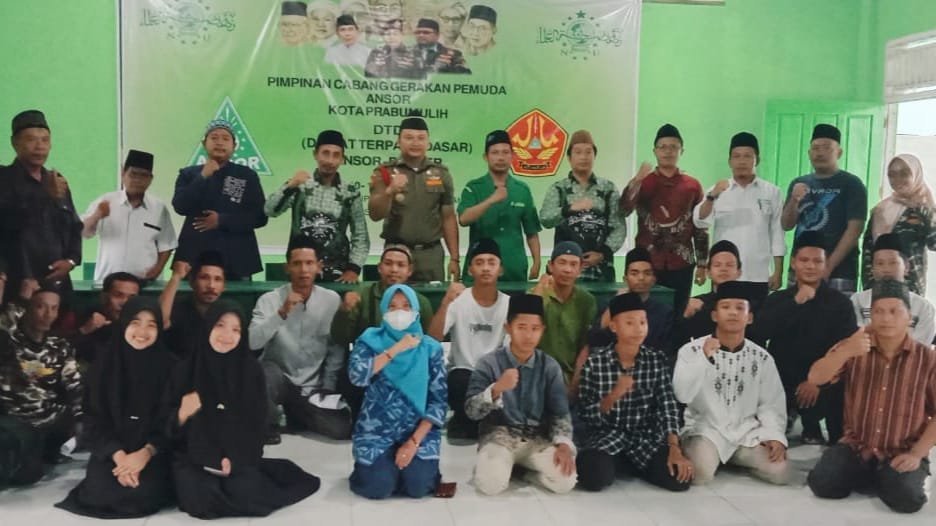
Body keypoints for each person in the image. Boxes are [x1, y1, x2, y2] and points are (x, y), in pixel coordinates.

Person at [167, 301, 321, 519]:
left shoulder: (250, 371)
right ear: (208, 327)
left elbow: (256, 424)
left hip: (237, 453)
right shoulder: (185, 370)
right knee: (200, 500)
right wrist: (182, 414)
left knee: (247, 493)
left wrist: (233, 457)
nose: (227, 335)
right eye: (220, 325)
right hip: (193, 456)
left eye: (236, 329)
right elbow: (166, 426)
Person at [807, 279, 936, 514]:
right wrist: (845, 352)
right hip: (857, 446)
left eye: (894, 311)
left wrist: (917, 454)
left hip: (902, 449)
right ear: (870, 317)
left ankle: (886, 477)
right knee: (823, 484)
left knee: (908, 500)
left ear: (909, 318)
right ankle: (877, 476)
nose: (886, 318)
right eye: (878, 311)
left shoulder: (927, 359)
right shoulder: (854, 346)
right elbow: (816, 378)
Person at [56, 297, 175, 518]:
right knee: (100, 494)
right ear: (124, 325)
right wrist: (120, 458)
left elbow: (171, 420)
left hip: (154, 451)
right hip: (111, 451)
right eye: (135, 323)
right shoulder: (103, 366)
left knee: (143, 495)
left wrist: (145, 453)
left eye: (151, 325)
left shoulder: (170, 368)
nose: (142, 331)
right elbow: (92, 419)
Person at [673, 281, 791, 486]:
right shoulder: (692, 350)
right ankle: (714, 456)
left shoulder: (761, 357)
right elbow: (682, 394)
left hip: (746, 431)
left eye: (740, 308)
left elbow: (771, 402)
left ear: (749, 317)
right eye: (726, 307)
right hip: (706, 429)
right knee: (700, 473)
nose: (733, 313)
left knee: (780, 471)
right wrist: (703, 358)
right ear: (714, 315)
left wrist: (774, 435)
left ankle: (731, 458)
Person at [577, 293, 692, 492]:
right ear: (614, 326)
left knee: (679, 480)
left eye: (642, 322)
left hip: (644, 438)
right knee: (592, 477)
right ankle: (621, 464)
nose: (638, 329)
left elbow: (667, 407)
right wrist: (614, 395)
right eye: (630, 323)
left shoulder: (656, 360)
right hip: (608, 436)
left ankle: (629, 464)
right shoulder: (595, 363)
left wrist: (674, 447)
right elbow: (586, 415)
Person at [751, 231, 857, 445]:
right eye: (804, 260)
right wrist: (794, 303)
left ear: (825, 265)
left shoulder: (841, 303)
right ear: (793, 263)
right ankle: (788, 418)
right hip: (782, 380)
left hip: (824, 381)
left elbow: (845, 348)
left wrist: (817, 382)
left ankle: (816, 426)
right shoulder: (779, 299)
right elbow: (758, 333)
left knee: (843, 390)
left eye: (817, 261)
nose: (810, 266)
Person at [465, 293, 577, 495]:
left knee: (565, 481)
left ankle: (525, 473)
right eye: (522, 327)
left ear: (542, 330)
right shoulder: (489, 363)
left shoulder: (549, 366)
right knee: (490, 485)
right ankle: (499, 467)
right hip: (499, 437)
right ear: (508, 328)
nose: (528, 335)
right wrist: (496, 389)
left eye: (535, 329)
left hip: (537, 439)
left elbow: (560, 413)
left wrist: (563, 445)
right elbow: (471, 412)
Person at [347, 284, 446, 499]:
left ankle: (408, 470)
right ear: (384, 310)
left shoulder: (431, 348)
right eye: (392, 307)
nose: (399, 312)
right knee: (378, 488)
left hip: (418, 432)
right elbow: (357, 376)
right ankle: (378, 471)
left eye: (406, 306)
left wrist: (413, 442)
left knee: (418, 487)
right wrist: (396, 349)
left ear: (416, 311)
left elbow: (438, 402)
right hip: (375, 431)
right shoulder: (370, 340)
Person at [249, 237, 350, 444]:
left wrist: (327, 388)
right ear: (287, 267)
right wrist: (281, 313)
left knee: (340, 430)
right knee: (264, 372)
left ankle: (295, 413)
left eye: (309, 263)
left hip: (312, 388)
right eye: (297, 263)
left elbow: (336, 349)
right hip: (280, 381)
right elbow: (253, 342)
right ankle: (274, 421)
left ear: (319, 267)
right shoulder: (269, 300)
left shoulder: (331, 300)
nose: (303, 270)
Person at [331, 245, 434, 419]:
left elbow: (428, 343)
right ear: (379, 267)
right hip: (372, 365)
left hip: (408, 367)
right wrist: (344, 311)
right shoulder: (361, 296)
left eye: (400, 265)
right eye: (388, 263)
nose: (394, 270)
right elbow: (340, 338)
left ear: (410, 270)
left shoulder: (421, 302)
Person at [621, 124, 709, 312]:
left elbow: (700, 226)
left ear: (681, 151)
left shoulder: (692, 186)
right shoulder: (644, 182)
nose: (668, 151)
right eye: (663, 147)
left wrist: (702, 264)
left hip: (682, 262)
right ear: (655, 151)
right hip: (648, 265)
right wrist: (636, 181)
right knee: (644, 314)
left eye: (673, 147)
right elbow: (624, 209)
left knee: (678, 316)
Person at [428, 238, 509, 440]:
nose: (486, 268)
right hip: (463, 374)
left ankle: (469, 423)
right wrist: (446, 302)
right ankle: (471, 422)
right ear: (470, 270)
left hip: (494, 375)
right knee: (459, 380)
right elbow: (433, 337)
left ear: (500, 270)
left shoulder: (509, 304)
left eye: (491, 262)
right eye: (479, 263)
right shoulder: (459, 300)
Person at [265, 129, 369, 283]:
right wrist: (290, 185)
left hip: (337, 272)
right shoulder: (300, 186)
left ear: (342, 159)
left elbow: (360, 235)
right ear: (315, 154)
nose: (330, 160)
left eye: (336, 155)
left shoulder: (350, 193)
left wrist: (353, 269)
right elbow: (270, 210)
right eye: (325, 153)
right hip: (301, 269)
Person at [0, 110, 82, 304]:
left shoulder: (57, 180)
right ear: (14, 143)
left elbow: (74, 226)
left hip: (57, 284)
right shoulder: (4, 179)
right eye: (31, 140)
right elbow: (8, 223)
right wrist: (45, 196)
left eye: (45, 140)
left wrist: (71, 261)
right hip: (19, 283)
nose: (39, 146)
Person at [693, 132, 785, 301]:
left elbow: (777, 232)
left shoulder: (772, 192)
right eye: (736, 156)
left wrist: (778, 271)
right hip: (724, 275)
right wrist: (712, 197)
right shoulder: (717, 190)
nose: (742, 161)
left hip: (758, 274)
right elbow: (700, 221)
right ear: (730, 161)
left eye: (747, 156)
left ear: (757, 160)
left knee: (757, 317)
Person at [172, 119, 268, 281]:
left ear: (234, 146)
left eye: (225, 138)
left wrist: (222, 220)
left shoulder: (246, 175)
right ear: (204, 144)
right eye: (214, 137)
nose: (219, 142)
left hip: (238, 257)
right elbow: (180, 206)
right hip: (195, 257)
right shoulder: (188, 174)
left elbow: (260, 217)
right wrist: (202, 176)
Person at [0, 286, 82, 473]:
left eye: (54, 308)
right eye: (40, 307)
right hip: (13, 419)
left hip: (49, 418)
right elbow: (4, 324)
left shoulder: (59, 345)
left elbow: (75, 384)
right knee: (28, 471)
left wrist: (80, 417)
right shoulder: (8, 340)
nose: (48, 314)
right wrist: (21, 299)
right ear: (27, 309)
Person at [368, 114, 459, 281]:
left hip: (431, 255)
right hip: (396, 254)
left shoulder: (441, 173)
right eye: (409, 137)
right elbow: (375, 214)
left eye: (421, 138)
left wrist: (454, 258)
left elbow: (448, 217)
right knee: (395, 297)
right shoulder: (384, 172)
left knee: (433, 297)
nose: (415, 142)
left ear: (428, 142)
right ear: (398, 141)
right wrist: (390, 191)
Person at [782, 124, 867, 294]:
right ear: (809, 153)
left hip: (840, 271)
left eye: (827, 148)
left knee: (836, 311)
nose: (820, 153)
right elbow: (786, 224)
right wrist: (794, 200)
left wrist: (828, 266)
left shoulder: (852, 184)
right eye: (815, 148)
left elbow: (855, 229)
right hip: (802, 269)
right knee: (796, 310)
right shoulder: (799, 183)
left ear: (839, 152)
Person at [540, 130, 626, 282]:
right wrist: (569, 209)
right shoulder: (559, 188)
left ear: (594, 156)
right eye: (578, 152)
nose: (583, 157)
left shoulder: (608, 188)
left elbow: (618, 227)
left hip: (601, 270)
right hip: (566, 270)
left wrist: (602, 253)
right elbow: (545, 219)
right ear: (569, 157)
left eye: (588, 152)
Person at [458, 129, 542, 282]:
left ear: (513, 156)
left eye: (505, 152)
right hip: (480, 268)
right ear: (486, 157)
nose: (501, 157)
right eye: (495, 153)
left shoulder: (522, 189)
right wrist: (491, 200)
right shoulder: (474, 187)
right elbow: (463, 219)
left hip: (514, 268)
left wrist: (537, 261)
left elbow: (531, 232)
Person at [82, 150, 177, 283]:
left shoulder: (159, 208)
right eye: (133, 174)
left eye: (143, 176)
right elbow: (83, 232)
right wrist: (96, 216)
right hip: (108, 282)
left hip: (145, 283)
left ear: (150, 179)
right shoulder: (106, 201)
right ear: (123, 173)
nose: (137, 180)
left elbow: (167, 244)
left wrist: (158, 269)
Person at [862, 153, 936, 295]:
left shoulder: (925, 209)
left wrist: (923, 211)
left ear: (916, 174)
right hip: (877, 285)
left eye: (904, 174)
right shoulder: (880, 209)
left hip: (911, 287)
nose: (897, 180)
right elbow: (868, 250)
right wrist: (868, 285)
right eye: (892, 175)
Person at [530, 241, 597, 384]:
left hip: (571, 375)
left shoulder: (586, 301)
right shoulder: (536, 295)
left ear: (580, 269)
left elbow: (586, 346)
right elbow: (527, 330)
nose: (567, 270)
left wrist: (575, 382)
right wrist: (540, 290)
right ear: (550, 266)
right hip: (536, 374)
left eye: (573, 264)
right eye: (562, 263)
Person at [853, 233, 935, 343]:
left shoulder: (923, 307)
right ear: (872, 268)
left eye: (893, 263)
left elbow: (920, 346)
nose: (886, 269)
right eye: (880, 263)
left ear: (906, 267)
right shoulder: (857, 301)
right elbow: (857, 338)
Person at [593, 247, 674, 355]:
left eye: (647, 273)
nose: (641, 278)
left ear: (653, 280)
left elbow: (667, 349)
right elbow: (597, 338)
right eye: (634, 273)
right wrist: (616, 304)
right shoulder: (608, 306)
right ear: (625, 279)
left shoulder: (665, 312)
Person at [159, 251, 226, 360]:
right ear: (192, 281)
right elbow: (160, 321)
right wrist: (176, 277)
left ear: (224, 286)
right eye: (204, 277)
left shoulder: (228, 313)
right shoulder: (178, 307)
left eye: (218, 279)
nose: (211, 286)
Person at [675, 240, 743, 347]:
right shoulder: (695, 304)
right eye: (717, 265)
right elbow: (677, 339)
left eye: (729, 265)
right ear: (708, 272)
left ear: (739, 272)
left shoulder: (750, 305)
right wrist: (685, 316)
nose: (723, 269)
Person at [73, 272, 141, 367]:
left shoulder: (143, 322)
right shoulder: (88, 317)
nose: (125, 303)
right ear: (104, 296)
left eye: (132, 298)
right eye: (118, 295)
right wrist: (85, 330)